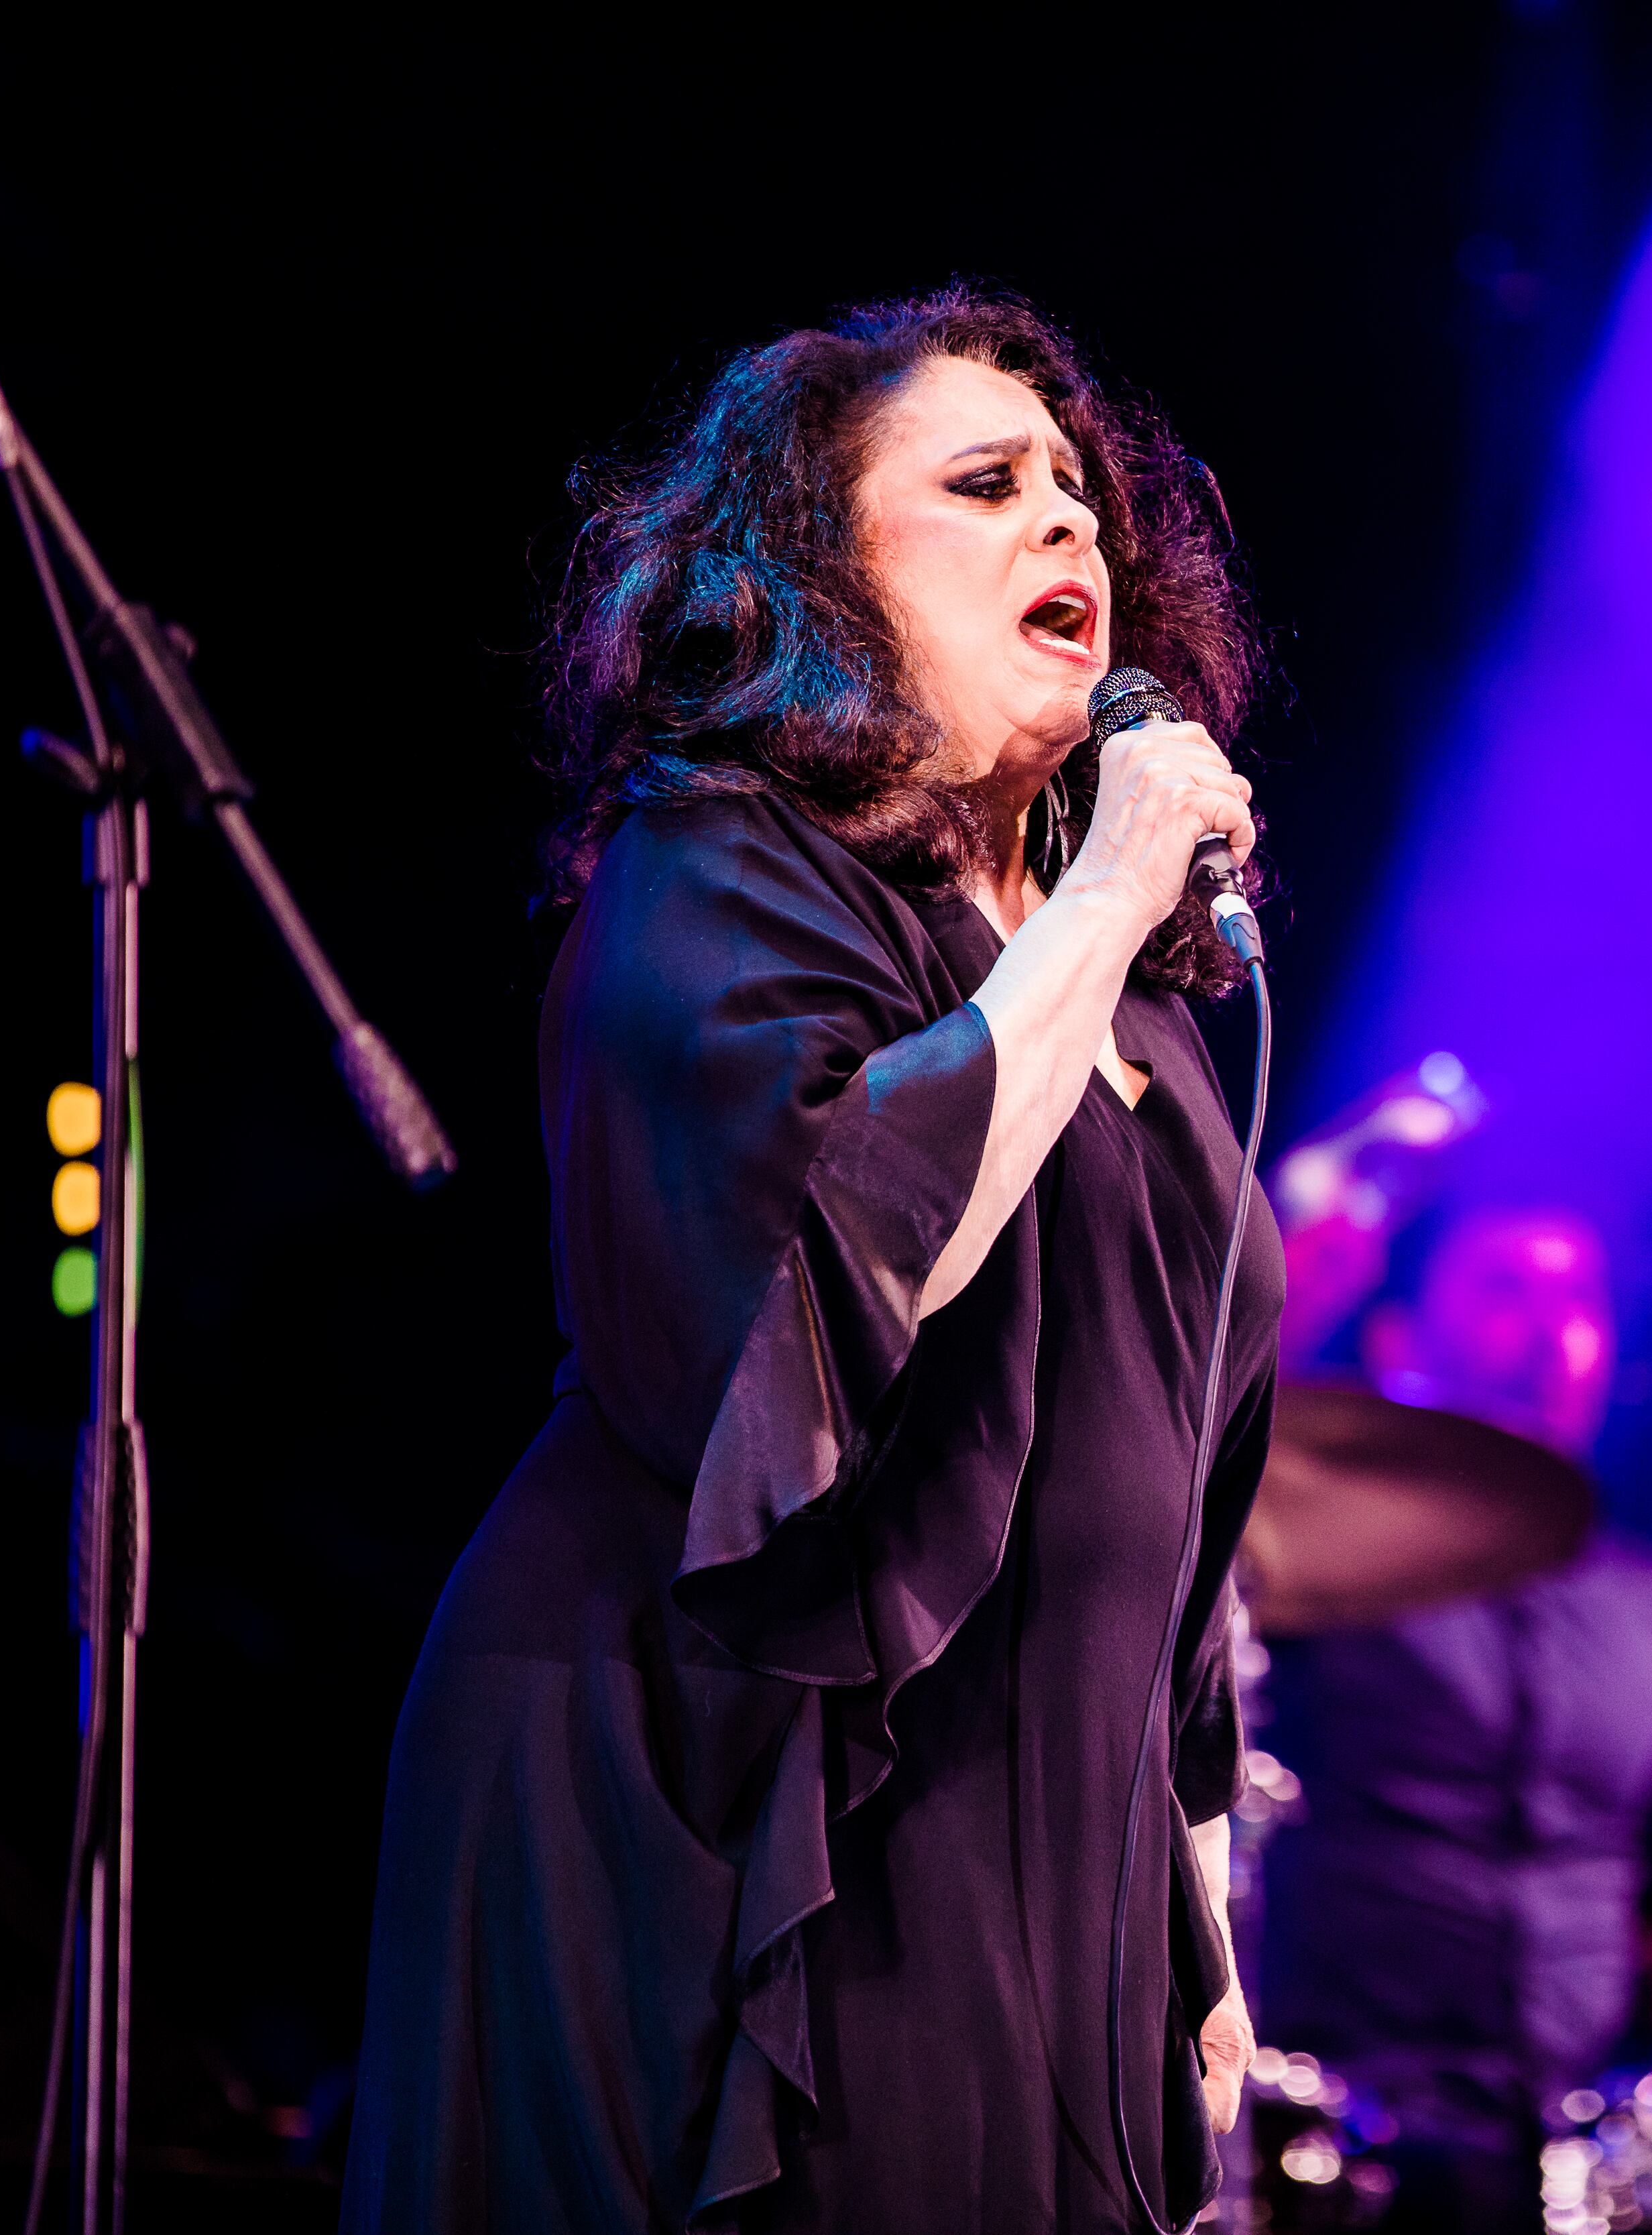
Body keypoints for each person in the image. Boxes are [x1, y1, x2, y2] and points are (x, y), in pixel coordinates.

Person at [346, 288, 1281, 2234]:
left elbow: (1176, 1500)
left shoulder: (1139, 1004)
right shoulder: (712, 867)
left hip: (1037, 1832)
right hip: (731, 1775)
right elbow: (840, 1262)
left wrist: (1193, 1899)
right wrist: (1113, 884)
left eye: (1079, 492)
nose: (1067, 520)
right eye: (985, 485)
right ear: (823, 576)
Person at [1257, 1206, 1652, 2234]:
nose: (1550, 1328)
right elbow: (1205, 1458)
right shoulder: (1305, 1558)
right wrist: (1291, 1304)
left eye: (1579, 1299)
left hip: (1582, 2141)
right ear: (1397, 1337)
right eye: (1505, 1290)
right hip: (1343, 2117)